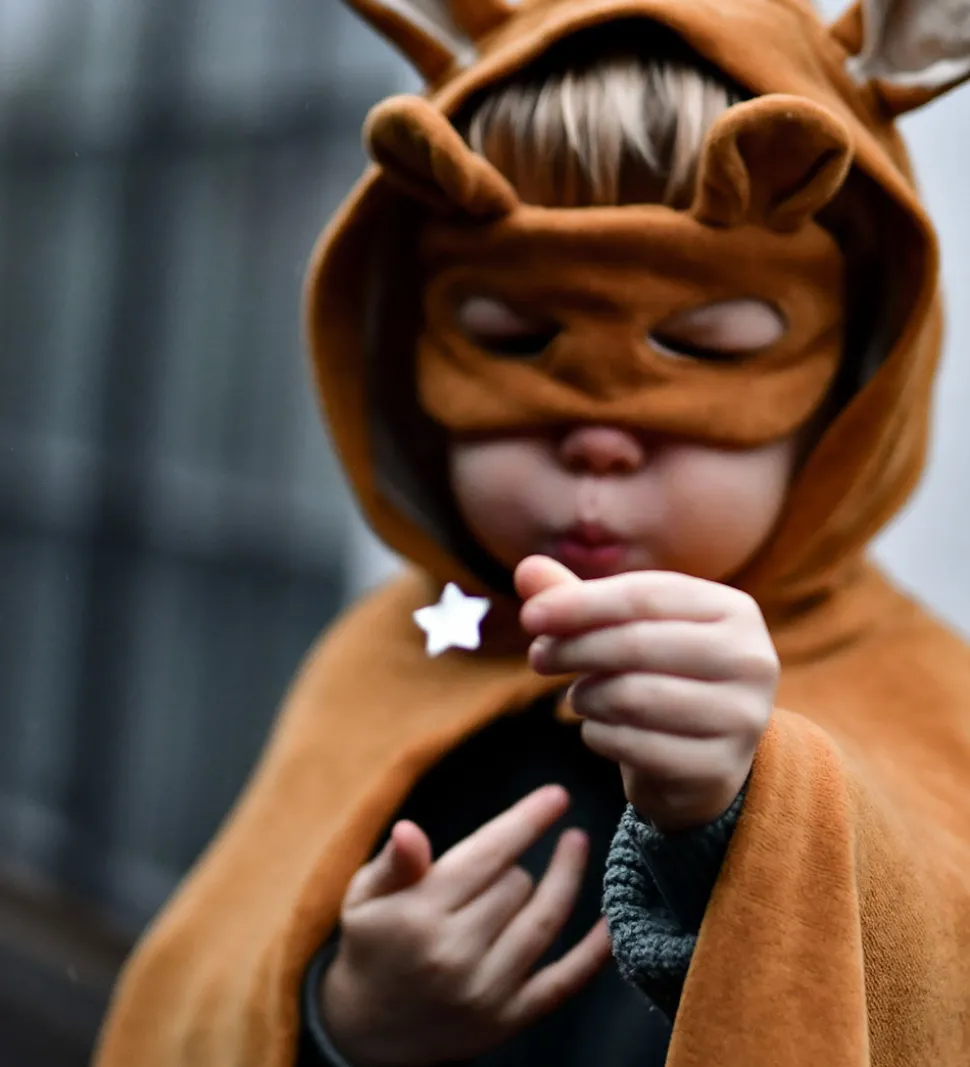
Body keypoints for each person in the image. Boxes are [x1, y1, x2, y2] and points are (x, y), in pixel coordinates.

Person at [92, 2, 970, 1066]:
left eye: (702, 346)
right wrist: (350, 1019)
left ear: (850, 396)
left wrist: (751, 811)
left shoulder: (931, 708)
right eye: (511, 339)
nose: (597, 443)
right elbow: (206, 998)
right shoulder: (399, 648)